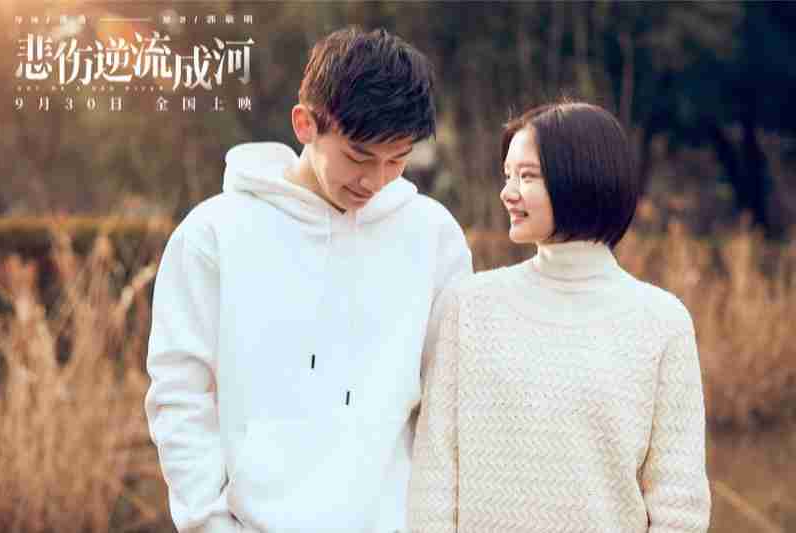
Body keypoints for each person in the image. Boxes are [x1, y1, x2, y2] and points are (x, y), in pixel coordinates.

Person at [145, 26, 472, 533]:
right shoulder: (213, 234)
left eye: (396, 160)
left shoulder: (433, 236)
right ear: (305, 124)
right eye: (358, 156)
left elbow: (449, 405)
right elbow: (179, 397)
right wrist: (210, 524)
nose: (375, 180)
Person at [407, 101, 711, 532]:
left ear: (582, 177)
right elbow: (434, 479)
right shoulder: (468, 307)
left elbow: (679, 504)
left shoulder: (662, 323)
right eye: (507, 175)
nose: (507, 192)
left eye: (527, 176)